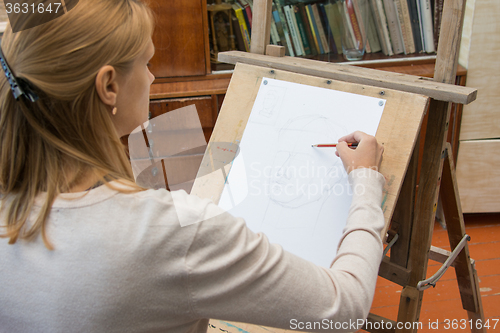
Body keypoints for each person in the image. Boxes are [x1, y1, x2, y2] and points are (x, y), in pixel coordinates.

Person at [0, 1, 385, 332]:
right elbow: (344, 307)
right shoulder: (174, 230)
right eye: (147, 62)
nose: (151, 76)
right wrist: (366, 180)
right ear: (108, 86)